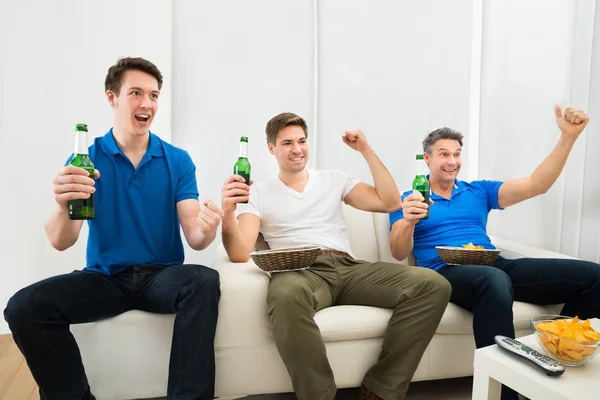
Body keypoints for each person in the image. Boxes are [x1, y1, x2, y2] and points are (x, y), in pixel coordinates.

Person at [3, 57, 223, 400]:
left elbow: (195, 236)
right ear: (112, 98)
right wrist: (63, 206)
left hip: (161, 276)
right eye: (135, 93)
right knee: (22, 307)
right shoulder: (86, 160)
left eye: (153, 95)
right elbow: (62, 240)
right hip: (105, 278)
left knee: (203, 280)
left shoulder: (177, 160)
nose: (146, 103)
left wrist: (207, 228)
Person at [220, 112, 451, 400]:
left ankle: (381, 388)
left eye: (302, 141)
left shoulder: (333, 179)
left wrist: (365, 150)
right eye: (287, 143)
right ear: (271, 148)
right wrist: (228, 212)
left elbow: (390, 201)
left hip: (348, 267)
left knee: (433, 284)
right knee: (284, 294)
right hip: (300, 271)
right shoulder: (259, 193)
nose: (297, 149)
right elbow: (241, 252)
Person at [389, 106, 600, 400]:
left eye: (457, 154)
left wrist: (568, 137)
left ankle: (562, 352)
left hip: (492, 263)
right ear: (427, 158)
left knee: (593, 274)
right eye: (444, 154)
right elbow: (399, 252)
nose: (452, 161)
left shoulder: (479, 191)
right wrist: (409, 220)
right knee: (493, 280)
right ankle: (506, 393)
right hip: (445, 271)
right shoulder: (409, 198)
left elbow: (538, 184)